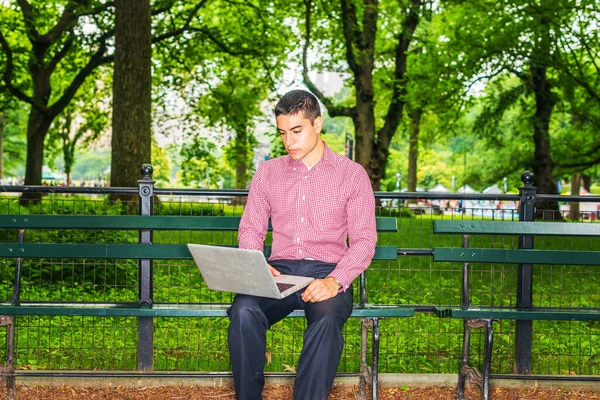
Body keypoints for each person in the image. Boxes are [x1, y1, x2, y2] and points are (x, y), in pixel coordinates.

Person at [227, 90, 377, 400]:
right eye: (283, 133)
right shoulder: (268, 172)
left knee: (326, 319)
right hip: (279, 273)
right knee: (243, 310)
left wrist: (336, 280)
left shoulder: (351, 175)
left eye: (297, 131)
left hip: (327, 273)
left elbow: (364, 240)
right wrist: (257, 263)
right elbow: (251, 228)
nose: (289, 141)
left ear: (317, 124)